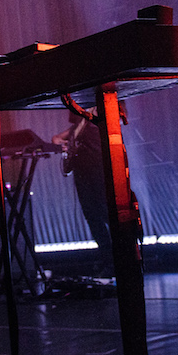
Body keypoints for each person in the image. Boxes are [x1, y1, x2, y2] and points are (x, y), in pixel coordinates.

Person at [52, 111, 114, 277]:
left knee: (104, 212)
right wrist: (67, 144)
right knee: (93, 216)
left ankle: (118, 259)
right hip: (82, 174)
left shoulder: (95, 124)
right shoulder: (77, 128)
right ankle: (109, 261)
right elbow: (56, 138)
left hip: (97, 172)